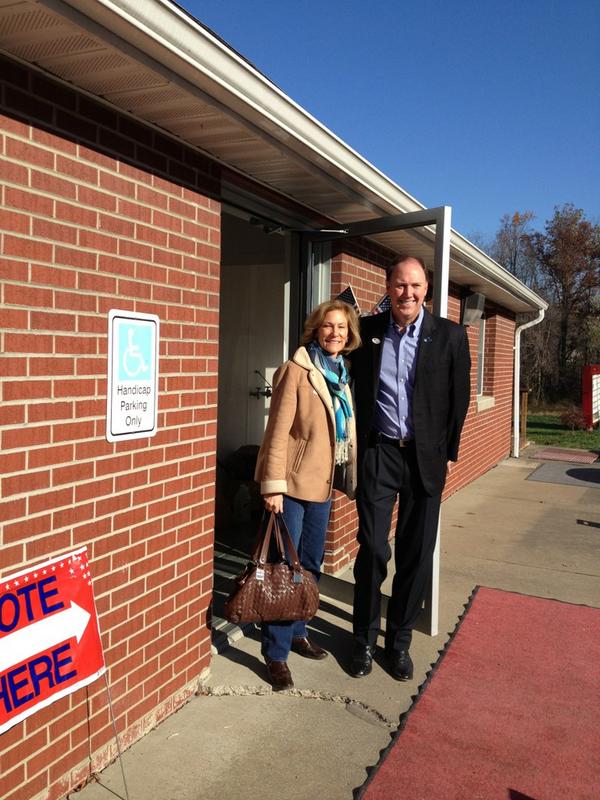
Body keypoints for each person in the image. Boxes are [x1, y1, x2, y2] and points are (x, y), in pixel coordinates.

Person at [348, 255, 471, 681]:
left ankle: (397, 643)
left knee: (415, 555)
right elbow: (333, 359)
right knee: (374, 550)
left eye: (415, 286)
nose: (407, 293)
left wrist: (445, 456)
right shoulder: (367, 332)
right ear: (388, 286)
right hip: (379, 453)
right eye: (400, 285)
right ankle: (362, 640)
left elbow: (459, 401)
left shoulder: (450, 336)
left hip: (424, 460)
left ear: (427, 291)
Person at [254, 299, 361, 690]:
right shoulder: (296, 371)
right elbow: (277, 432)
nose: (335, 333)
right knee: (286, 570)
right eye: (328, 326)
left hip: (323, 486)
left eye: (342, 328)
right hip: (292, 486)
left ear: (349, 336)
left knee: (312, 564)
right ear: (315, 330)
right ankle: (276, 653)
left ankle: (298, 631)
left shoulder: (341, 375)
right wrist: (273, 488)